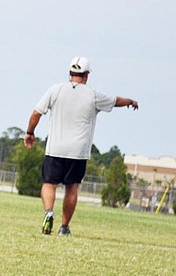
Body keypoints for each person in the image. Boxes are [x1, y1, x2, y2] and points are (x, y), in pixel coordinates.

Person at [24, 56, 138, 235]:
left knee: (49, 183)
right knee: (72, 187)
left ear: (70, 73)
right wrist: (131, 102)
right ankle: (64, 227)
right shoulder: (93, 95)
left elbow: (36, 113)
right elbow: (116, 101)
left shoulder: (56, 90)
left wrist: (30, 133)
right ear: (86, 76)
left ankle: (48, 212)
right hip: (78, 152)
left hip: (55, 148)